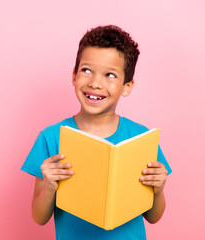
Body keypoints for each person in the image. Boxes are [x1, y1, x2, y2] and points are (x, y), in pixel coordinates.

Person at [21, 25, 172, 240]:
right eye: (86, 70)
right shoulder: (51, 137)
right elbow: (39, 217)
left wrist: (158, 189)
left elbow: (153, 216)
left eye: (110, 75)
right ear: (74, 76)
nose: (95, 83)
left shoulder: (141, 139)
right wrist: (49, 187)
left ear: (126, 87)